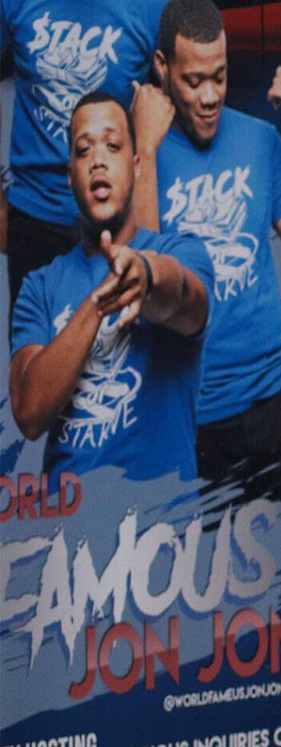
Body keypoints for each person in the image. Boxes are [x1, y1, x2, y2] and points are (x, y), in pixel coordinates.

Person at [130, 0, 281, 505]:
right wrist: (144, 149)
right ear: (162, 67)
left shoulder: (258, 139)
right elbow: (147, 281)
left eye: (220, 76)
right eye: (194, 81)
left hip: (277, 401)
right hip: (194, 418)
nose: (210, 95)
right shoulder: (142, 154)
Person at [0, 0, 179, 310]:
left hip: (116, 221)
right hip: (33, 217)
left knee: (120, 361)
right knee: (36, 361)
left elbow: (174, 122)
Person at [8, 91, 210, 480]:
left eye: (112, 146)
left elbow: (186, 299)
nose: (98, 160)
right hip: (71, 514)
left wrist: (146, 276)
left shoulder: (182, 252)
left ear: (135, 166)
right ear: (70, 177)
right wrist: (99, 303)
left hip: (161, 513)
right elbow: (30, 414)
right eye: (84, 150)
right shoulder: (40, 286)